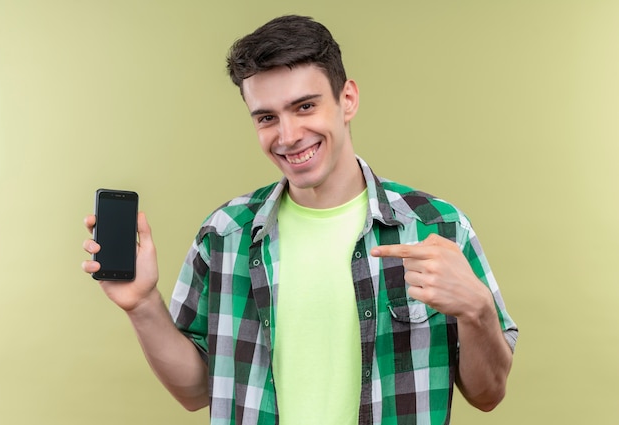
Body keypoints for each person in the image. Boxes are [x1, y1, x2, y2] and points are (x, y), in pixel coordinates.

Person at [82, 15, 518, 425]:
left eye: (305, 107)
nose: (288, 136)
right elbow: (196, 391)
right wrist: (142, 305)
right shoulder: (225, 234)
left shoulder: (437, 227)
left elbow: (487, 394)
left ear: (347, 99)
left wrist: (478, 311)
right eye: (267, 118)